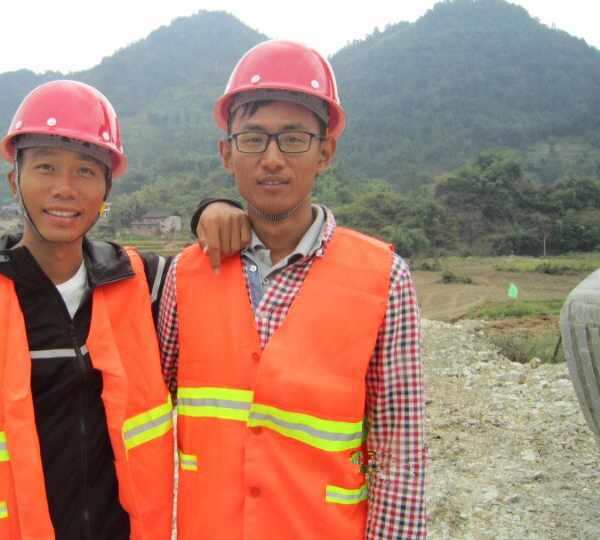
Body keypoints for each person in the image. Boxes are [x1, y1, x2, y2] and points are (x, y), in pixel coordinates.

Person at [0, 79, 247, 539]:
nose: (64, 189)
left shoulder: (139, 282)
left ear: (107, 188)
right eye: (45, 167)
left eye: (85, 171)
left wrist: (214, 207)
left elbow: (211, 271)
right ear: (14, 181)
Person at [157, 40, 426, 539]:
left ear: (325, 153)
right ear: (226, 154)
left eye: (294, 139)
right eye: (253, 139)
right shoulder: (186, 274)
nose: (273, 159)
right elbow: (148, 410)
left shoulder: (385, 277)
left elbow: (399, 450)